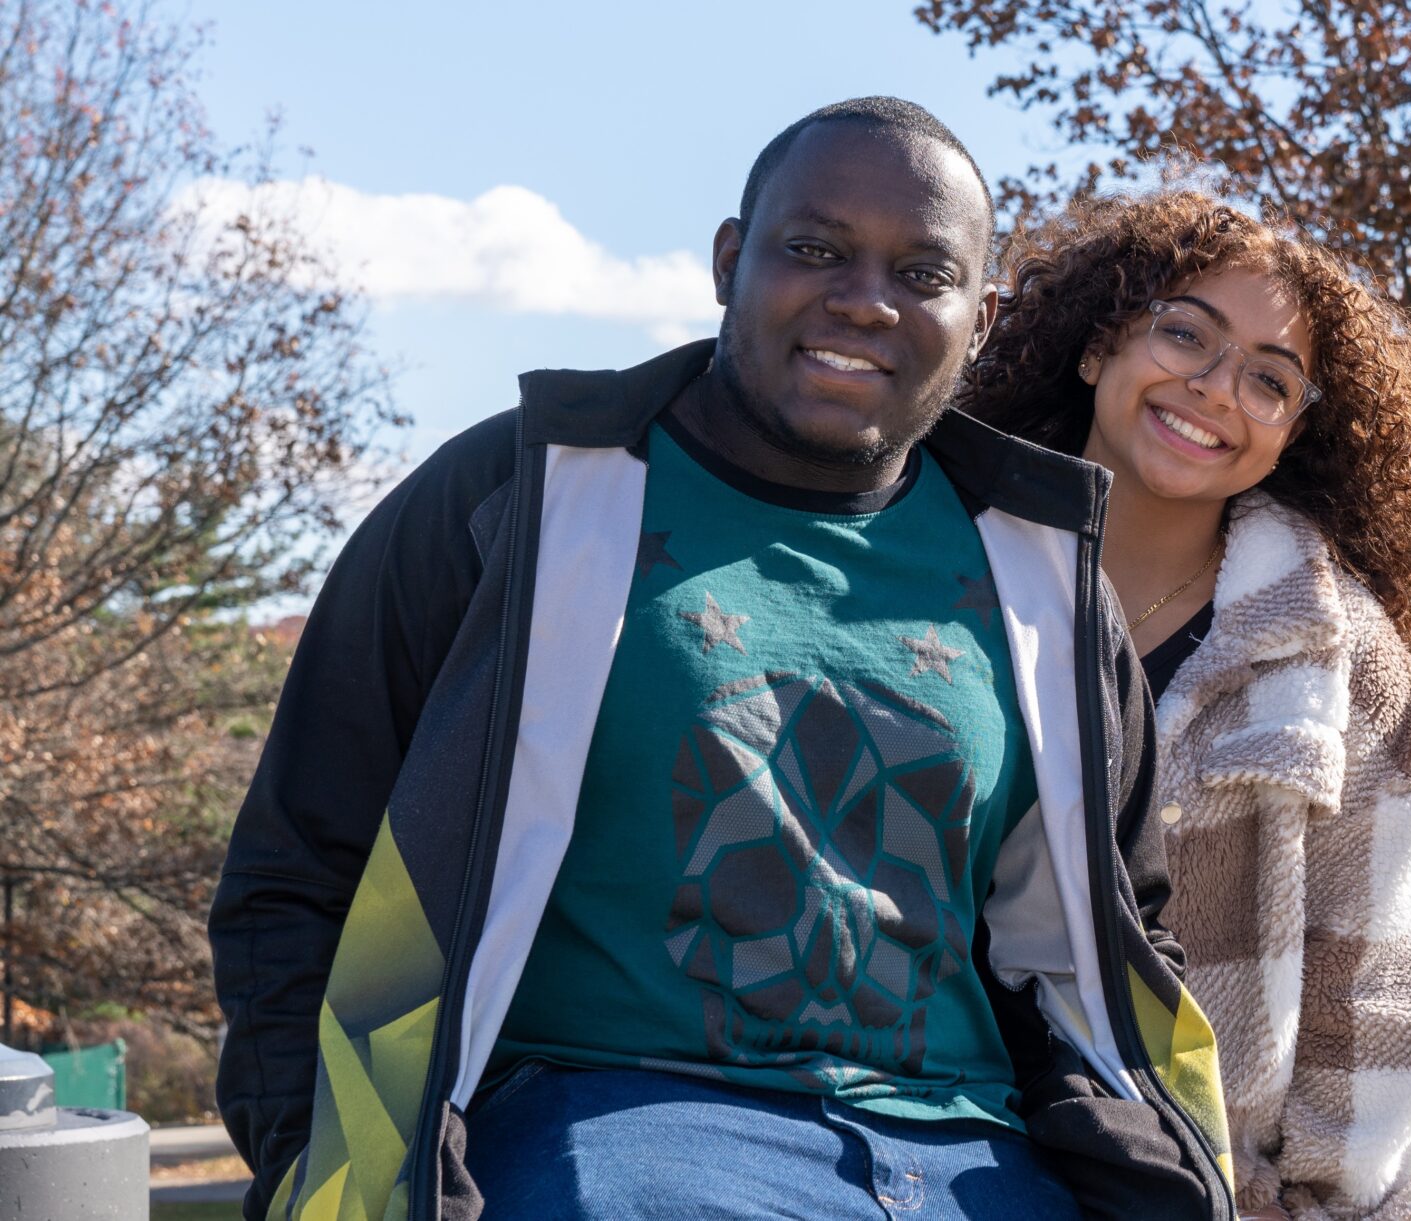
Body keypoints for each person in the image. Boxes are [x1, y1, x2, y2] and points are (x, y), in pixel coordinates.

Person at [207, 98, 1234, 1221]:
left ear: (979, 319)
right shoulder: (516, 504)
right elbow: (298, 874)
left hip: (971, 1154)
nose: (862, 299)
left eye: (922, 271)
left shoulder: (1042, 586)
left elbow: (1123, 939)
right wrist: (333, 1176)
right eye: (814, 250)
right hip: (609, 1130)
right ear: (730, 261)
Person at [961, 189, 1411, 1220]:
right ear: (1095, 347)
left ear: (1294, 431)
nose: (1213, 389)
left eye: (1269, 381)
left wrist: (1274, 1197)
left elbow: (1396, 979)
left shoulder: (1344, 659)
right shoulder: (946, 568)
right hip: (952, 1122)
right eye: (1183, 335)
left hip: (1247, 1177)